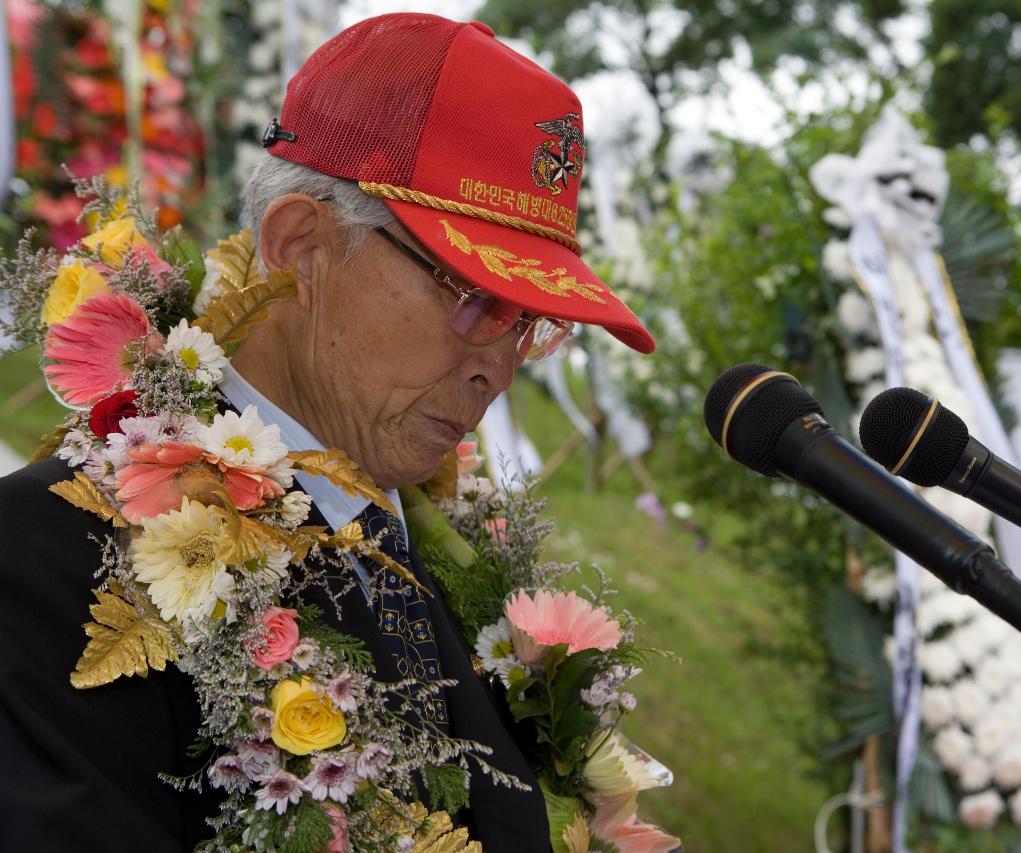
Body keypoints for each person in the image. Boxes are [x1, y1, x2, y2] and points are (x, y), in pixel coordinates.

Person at [0, 13, 654, 851]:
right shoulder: (55, 557)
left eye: (530, 321)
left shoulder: (455, 562)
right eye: (475, 299)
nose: (501, 367)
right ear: (300, 247)